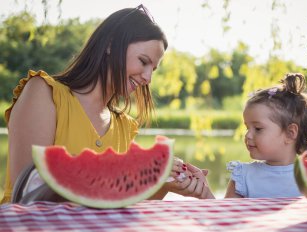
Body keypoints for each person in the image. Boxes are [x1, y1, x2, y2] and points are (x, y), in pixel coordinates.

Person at [1, 5, 212, 204]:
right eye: (143, 61)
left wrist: (163, 183)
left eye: (153, 70)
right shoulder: (44, 92)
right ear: (111, 44)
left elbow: (115, 200)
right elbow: (28, 190)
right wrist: (124, 170)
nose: (148, 77)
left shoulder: (124, 127)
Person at [224, 73, 307, 198]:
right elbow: (226, 214)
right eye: (247, 128)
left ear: (290, 133)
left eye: (258, 129)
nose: (248, 135)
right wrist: (205, 194)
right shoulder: (243, 177)